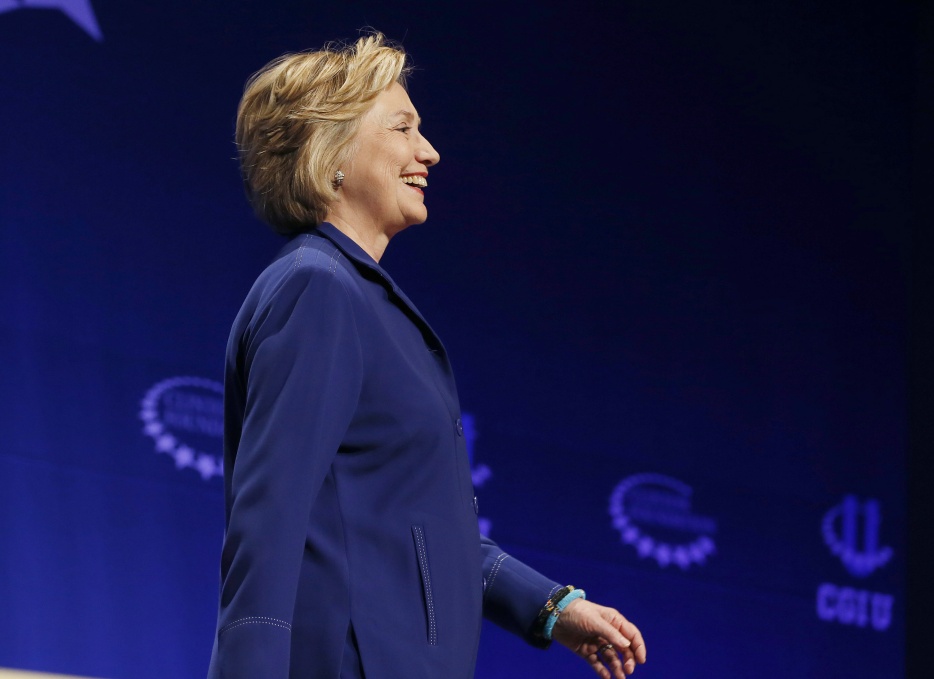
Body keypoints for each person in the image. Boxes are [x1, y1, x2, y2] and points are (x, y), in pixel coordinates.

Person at [207, 33, 647, 679]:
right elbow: (269, 516)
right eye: (403, 127)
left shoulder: (359, 298)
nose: (429, 151)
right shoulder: (317, 288)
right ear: (331, 153)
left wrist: (549, 607)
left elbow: (413, 525)